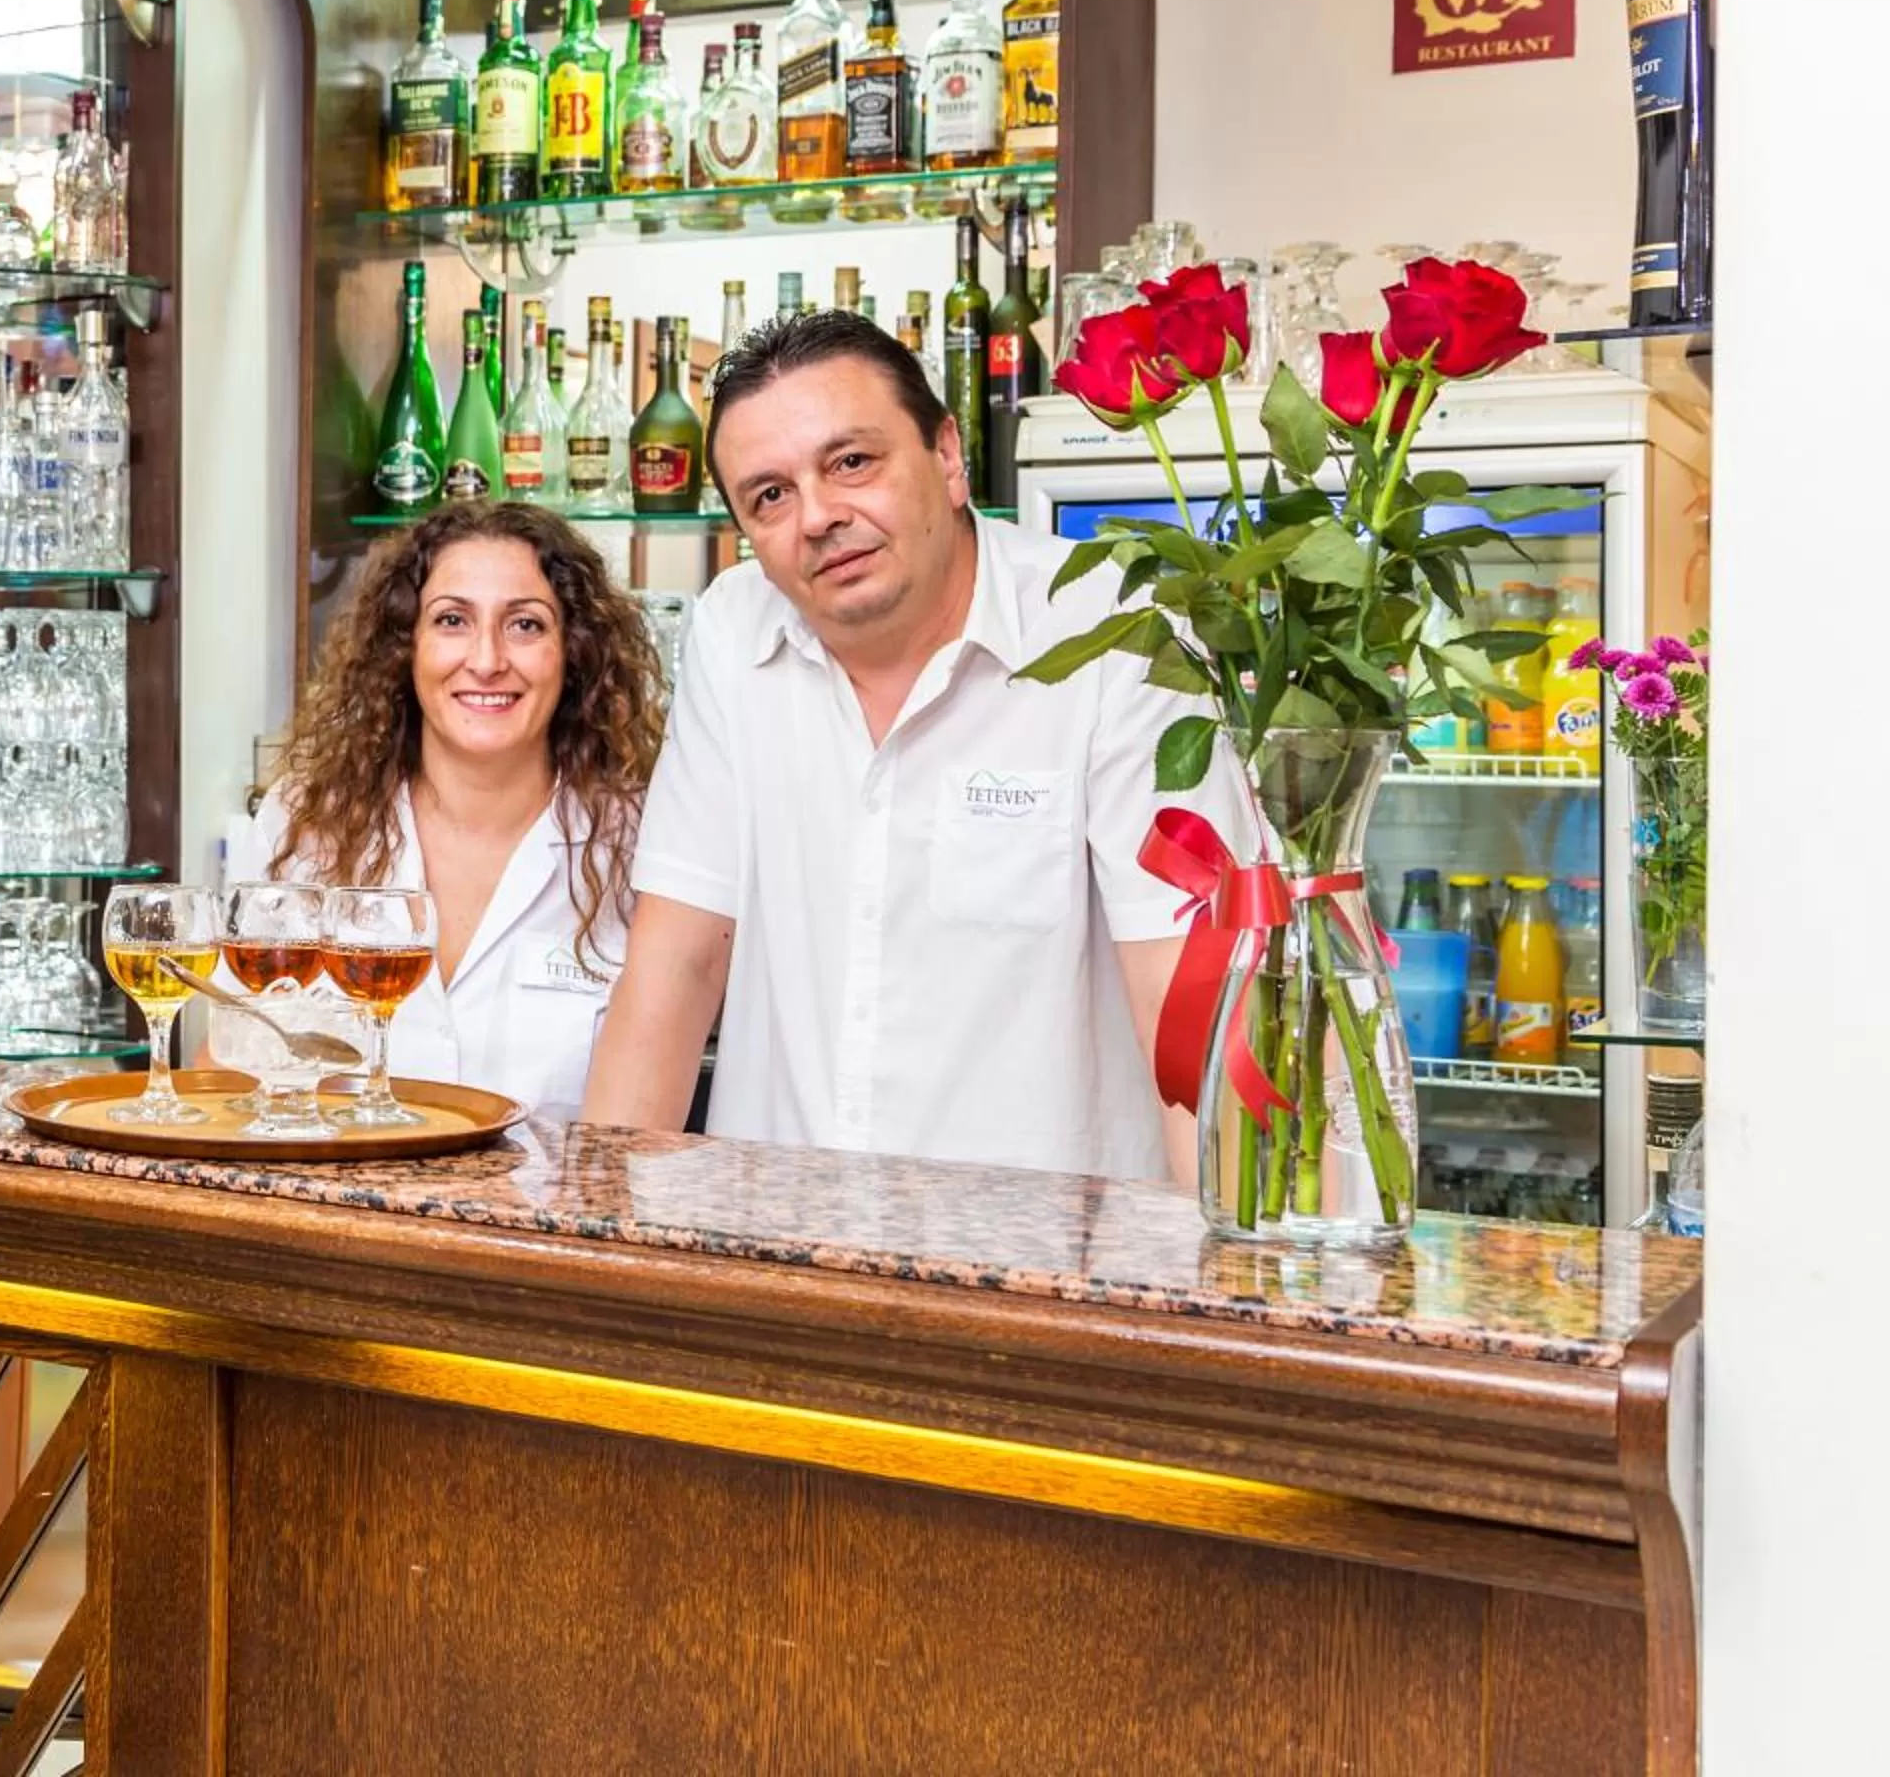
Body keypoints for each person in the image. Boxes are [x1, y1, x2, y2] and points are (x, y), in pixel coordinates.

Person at [582, 309, 1237, 1179]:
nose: (817, 517)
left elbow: (1190, 998)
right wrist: (591, 1244)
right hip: (775, 1254)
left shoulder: (1112, 627)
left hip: (1045, 1265)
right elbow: (677, 962)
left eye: (852, 462)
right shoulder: (735, 629)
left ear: (949, 456)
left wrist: (1217, 1291)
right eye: (770, 496)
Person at [239, 501, 664, 1118]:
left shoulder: (640, 840)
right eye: (451, 620)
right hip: (341, 1211)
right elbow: (230, 1067)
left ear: (574, 652)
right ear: (403, 647)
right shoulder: (307, 822)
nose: (487, 660)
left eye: (525, 625)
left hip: (550, 1213)